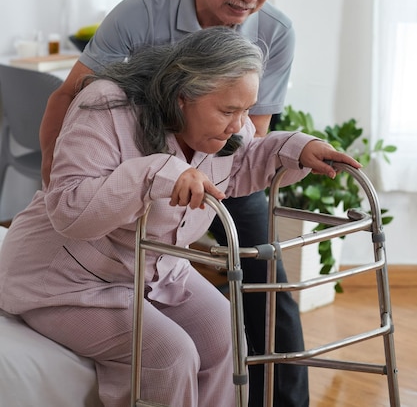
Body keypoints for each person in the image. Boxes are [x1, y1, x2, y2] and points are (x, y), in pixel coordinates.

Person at [0, 28, 360, 407]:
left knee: (226, 331)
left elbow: (239, 167)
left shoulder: (229, 128)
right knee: (169, 355)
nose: (240, 126)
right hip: (66, 277)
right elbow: (69, 210)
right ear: (182, 96)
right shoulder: (108, 107)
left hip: (155, 269)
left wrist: (296, 149)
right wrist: (155, 173)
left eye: (245, 110)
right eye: (227, 111)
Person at [41, 0, 298, 405]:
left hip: (218, 164)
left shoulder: (275, 33)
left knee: (266, 282)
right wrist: (57, 181)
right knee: (108, 245)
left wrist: (209, 180)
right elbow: (69, 96)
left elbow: (247, 133)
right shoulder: (142, 15)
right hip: (129, 168)